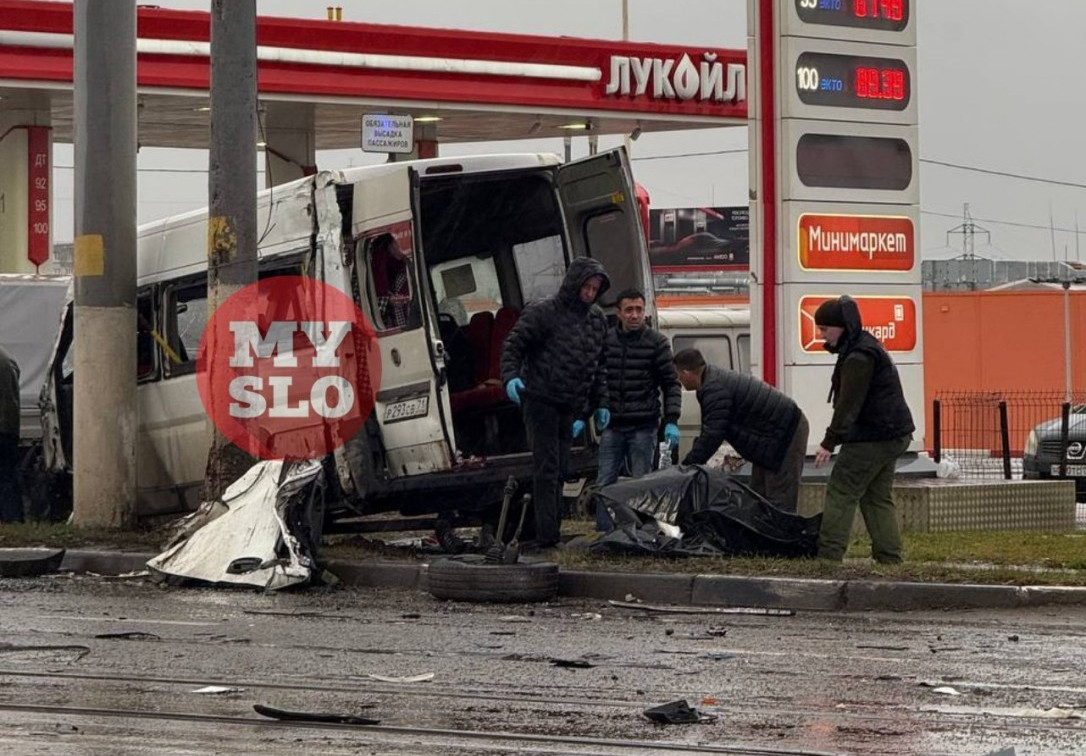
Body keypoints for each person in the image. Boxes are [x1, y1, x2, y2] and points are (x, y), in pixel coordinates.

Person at [500, 258, 611, 548]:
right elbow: (514, 345)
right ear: (574, 283)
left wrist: (600, 403)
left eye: (595, 289)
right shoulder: (544, 311)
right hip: (540, 398)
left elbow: (599, 365)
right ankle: (546, 537)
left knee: (562, 470)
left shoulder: (597, 320)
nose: (590, 293)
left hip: (569, 405)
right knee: (547, 469)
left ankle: (549, 531)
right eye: (586, 287)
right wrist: (511, 377)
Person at [812, 295, 915, 564]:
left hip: (871, 436)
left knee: (841, 490)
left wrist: (829, 442)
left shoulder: (857, 357)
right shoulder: (866, 345)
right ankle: (889, 557)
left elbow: (848, 405)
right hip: (894, 433)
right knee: (876, 496)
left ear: (841, 327)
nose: (822, 335)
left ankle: (828, 556)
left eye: (824, 329)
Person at [673, 348, 809, 513]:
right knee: (758, 498)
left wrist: (687, 469)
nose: (679, 380)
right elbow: (709, 430)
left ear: (686, 373)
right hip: (769, 438)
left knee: (779, 501)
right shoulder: (711, 381)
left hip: (788, 433)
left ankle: (781, 529)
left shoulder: (714, 388)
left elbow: (713, 435)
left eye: (678, 376)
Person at [592, 288, 681, 531]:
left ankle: (641, 533)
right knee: (604, 481)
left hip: (644, 424)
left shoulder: (656, 343)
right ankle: (605, 532)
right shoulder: (606, 342)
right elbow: (596, 379)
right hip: (613, 424)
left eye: (639, 310)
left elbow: (671, 383)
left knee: (642, 482)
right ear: (618, 313)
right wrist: (593, 409)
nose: (634, 315)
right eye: (629, 310)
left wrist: (671, 419)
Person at [372, 233, 417, 329]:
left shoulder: (408, 265)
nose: (401, 247)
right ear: (390, 245)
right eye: (397, 242)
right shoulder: (378, 263)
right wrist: (388, 301)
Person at [0, 344, 23, 523]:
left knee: (5, 479)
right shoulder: (5, 357)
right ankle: (13, 520)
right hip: (9, 427)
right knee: (7, 477)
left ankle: (11, 520)